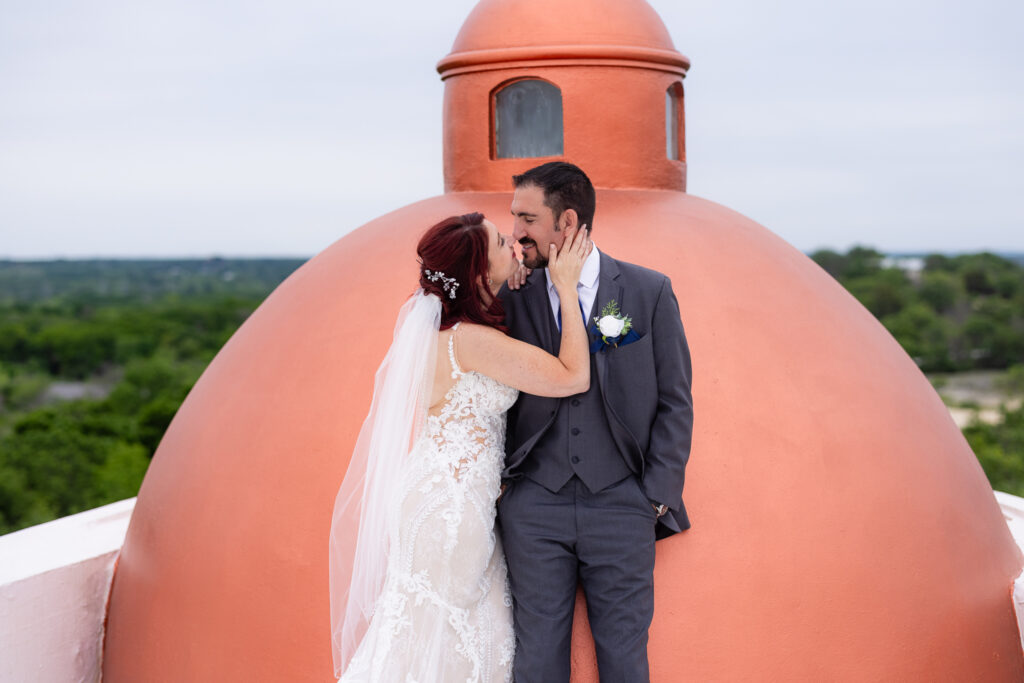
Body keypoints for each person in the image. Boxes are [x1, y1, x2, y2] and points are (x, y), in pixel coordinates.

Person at [328, 212, 593, 682]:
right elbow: (572, 376)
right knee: (452, 643)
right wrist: (568, 290)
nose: (513, 243)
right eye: (499, 242)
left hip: (440, 498)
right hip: (453, 509)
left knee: (432, 638)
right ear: (475, 272)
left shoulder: (440, 336)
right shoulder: (471, 342)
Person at [498, 162, 694, 681]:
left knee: (625, 661)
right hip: (534, 508)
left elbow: (676, 399)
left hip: (623, 505)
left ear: (566, 222)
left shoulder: (647, 291)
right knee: (536, 659)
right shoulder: (511, 294)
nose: (515, 231)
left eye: (527, 218)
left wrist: (654, 496)